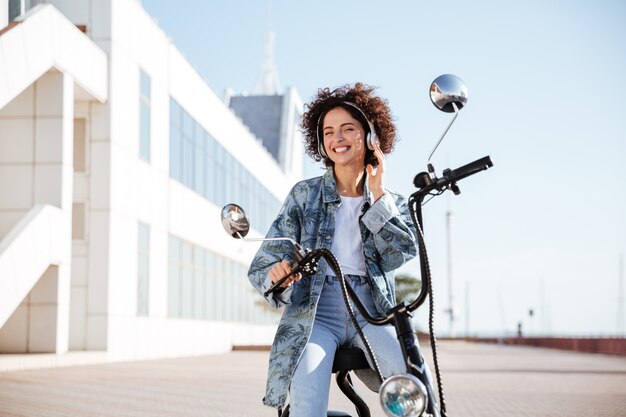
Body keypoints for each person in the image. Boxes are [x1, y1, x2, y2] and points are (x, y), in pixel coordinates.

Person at [248, 82, 421, 416]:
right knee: (307, 403)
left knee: (412, 390)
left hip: (371, 311)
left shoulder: (392, 202)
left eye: (347, 129)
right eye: (328, 132)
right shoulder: (304, 195)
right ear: (320, 142)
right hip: (315, 313)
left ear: (371, 137)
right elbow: (262, 265)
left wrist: (379, 195)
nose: (337, 138)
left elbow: (402, 252)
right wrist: (279, 275)